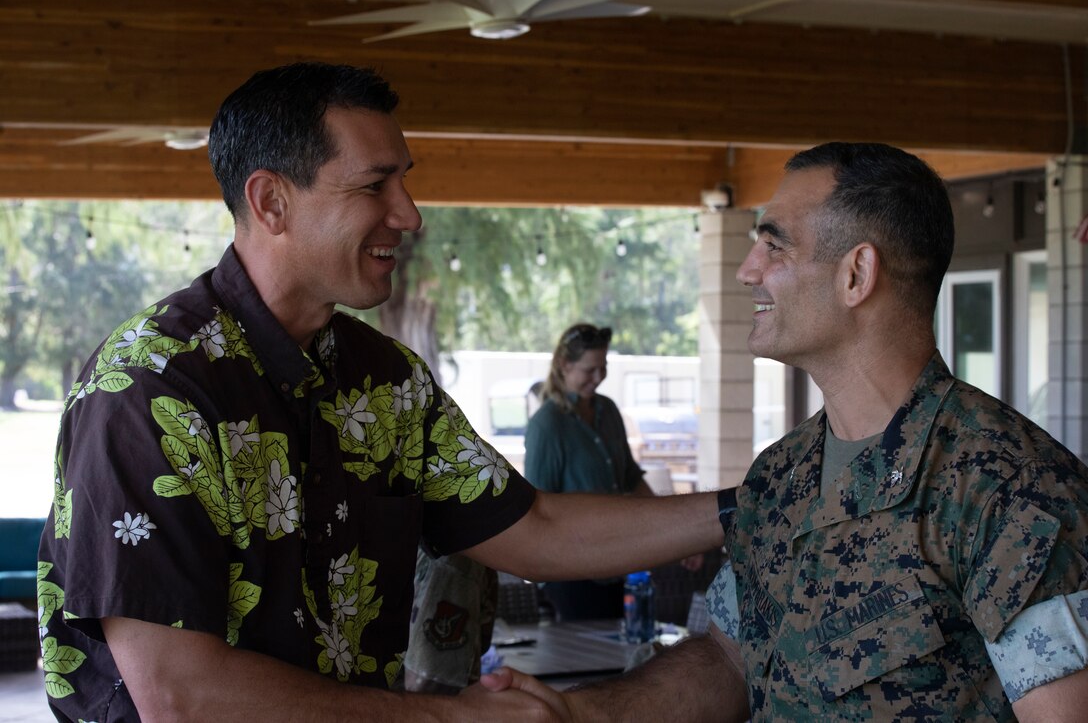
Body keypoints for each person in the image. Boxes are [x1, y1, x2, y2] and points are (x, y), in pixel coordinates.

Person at [35, 62, 723, 721]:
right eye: (375, 186)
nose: (411, 214)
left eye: (406, 183)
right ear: (271, 201)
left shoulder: (385, 379)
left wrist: (745, 508)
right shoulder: (149, 390)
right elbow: (184, 698)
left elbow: (531, 525)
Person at [480, 142, 1088, 720]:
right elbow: (727, 660)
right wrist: (580, 713)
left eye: (775, 247)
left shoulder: (1009, 486)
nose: (748, 271)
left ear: (857, 274)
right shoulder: (780, 475)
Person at [524, 323, 654, 620]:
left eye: (603, 367)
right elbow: (537, 506)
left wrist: (671, 526)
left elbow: (631, 478)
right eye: (589, 370)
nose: (598, 378)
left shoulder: (607, 411)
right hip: (572, 573)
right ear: (563, 365)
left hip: (618, 563)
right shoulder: (548, 425)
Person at [403, 549, 497, 694]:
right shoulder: (456, 561)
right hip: (426, 704)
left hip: (403, 700)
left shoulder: (453, 558)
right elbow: (432, 685)